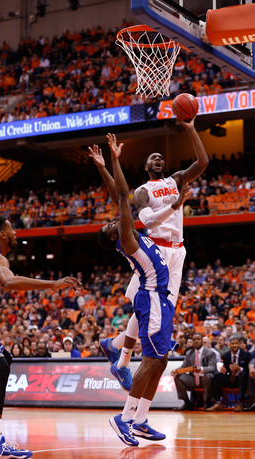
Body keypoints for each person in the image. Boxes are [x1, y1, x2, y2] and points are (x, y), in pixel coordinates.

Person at [90, 114, 209, 390]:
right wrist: (176, 205)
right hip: (156, 250)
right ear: (145, 167)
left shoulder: (177, 179)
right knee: (148, 305)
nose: (157, 158)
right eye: (152, 158)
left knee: (157, 308)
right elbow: (147, 222)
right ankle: (121, 358)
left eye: (160, 157)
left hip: (178, 252)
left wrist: (190, 129)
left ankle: (116, 348)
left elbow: (203, 163)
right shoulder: (143, 191)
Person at [93, 133, 191, 446]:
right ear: (113, 237)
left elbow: (116, 196)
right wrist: (116, 161)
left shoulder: (131, 233)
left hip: (157, 295)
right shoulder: (126, 237)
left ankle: (140, 419)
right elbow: (122, 195)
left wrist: (102, 167)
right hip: (151, 296)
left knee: (160, 360)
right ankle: (124, 415)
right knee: (151, 360)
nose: (114, 220)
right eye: (111, 225)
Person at [0, 214, 81, 458]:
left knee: (4, 360)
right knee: (1, 366)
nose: (17, 234)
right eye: (12, 230)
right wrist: (54, 284)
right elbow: (10, 282)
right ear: (2, 234)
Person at [171, 333, 216, 411]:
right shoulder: (189, 353)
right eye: (194, 340)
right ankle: (187, 403)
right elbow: (184, 367)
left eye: (198, 339)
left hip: (204, 379)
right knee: (178, 377)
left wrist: (201, 369)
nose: (196, 341)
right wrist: (176, 370)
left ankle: (207, 403)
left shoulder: (210, 352)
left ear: (202, 341)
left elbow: (213, 368)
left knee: (208, 376)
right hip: (193, 379)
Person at [206, 336, 251, 412]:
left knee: (243, 374)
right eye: (232, 343)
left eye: (236, 343)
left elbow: (248, 370)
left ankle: (240, 403)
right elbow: (226, 370)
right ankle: (218, 402)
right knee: (216, 375)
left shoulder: (246, 355)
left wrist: (239, 369)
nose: (234, 345)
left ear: (239, 345)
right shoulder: (226, 355)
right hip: (229, 378)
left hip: (241, 380)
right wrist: (223, 371)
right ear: (229, 345)